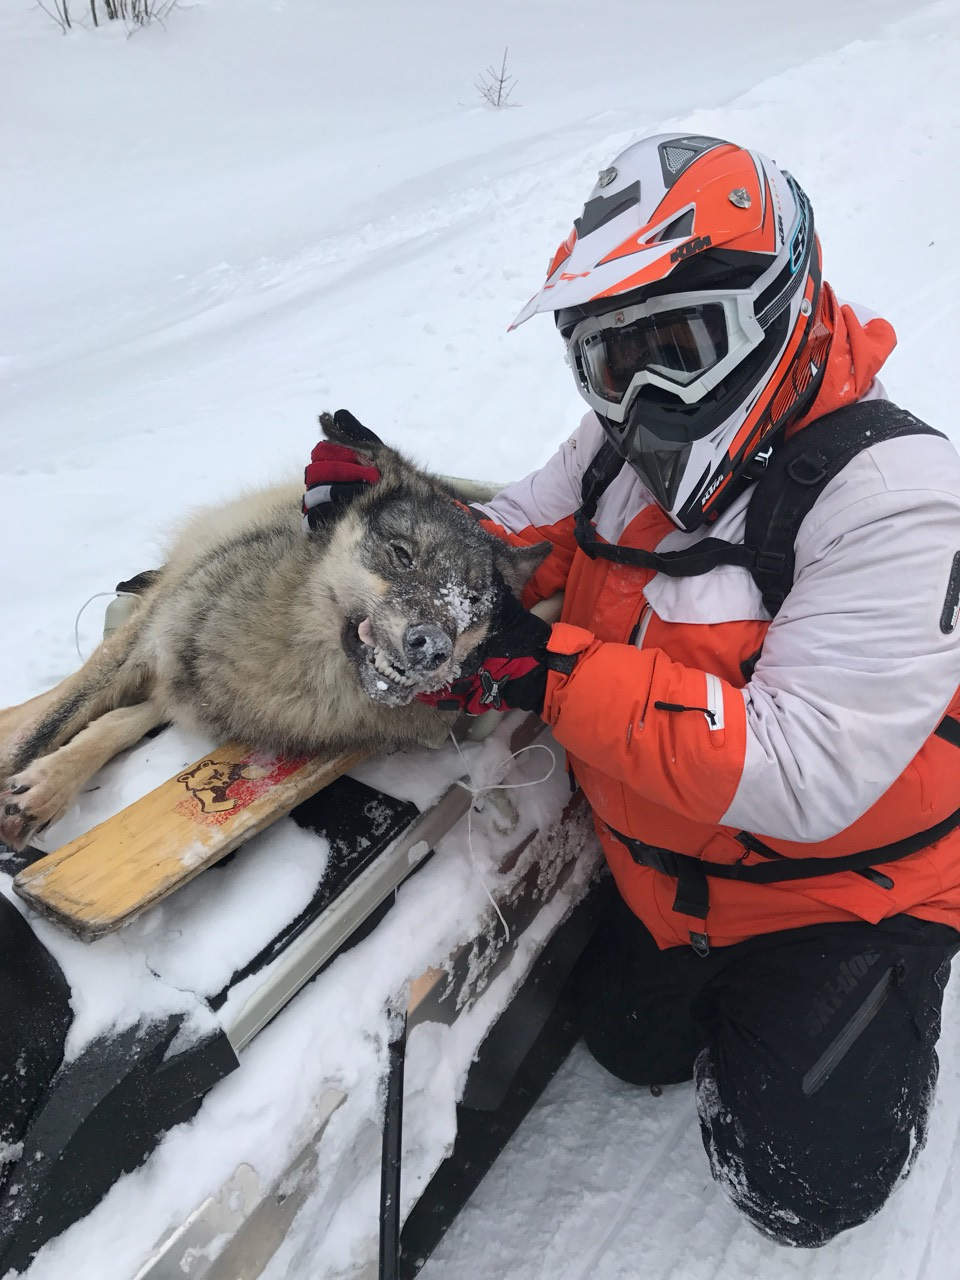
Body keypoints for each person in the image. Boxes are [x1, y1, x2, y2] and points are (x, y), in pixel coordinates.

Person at [306, 134, 960, 1247]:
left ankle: (895, 1000)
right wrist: (393, 528)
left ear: (774, 309)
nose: (644, 389)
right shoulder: (617, 446)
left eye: (676, 343)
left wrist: (541, 663)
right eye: (613, 359)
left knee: (801, 1184)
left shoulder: (898, 496)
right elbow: (506, 542)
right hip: (667, 872)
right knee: (624, 1045)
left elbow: (801, 772)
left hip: (837, 893)